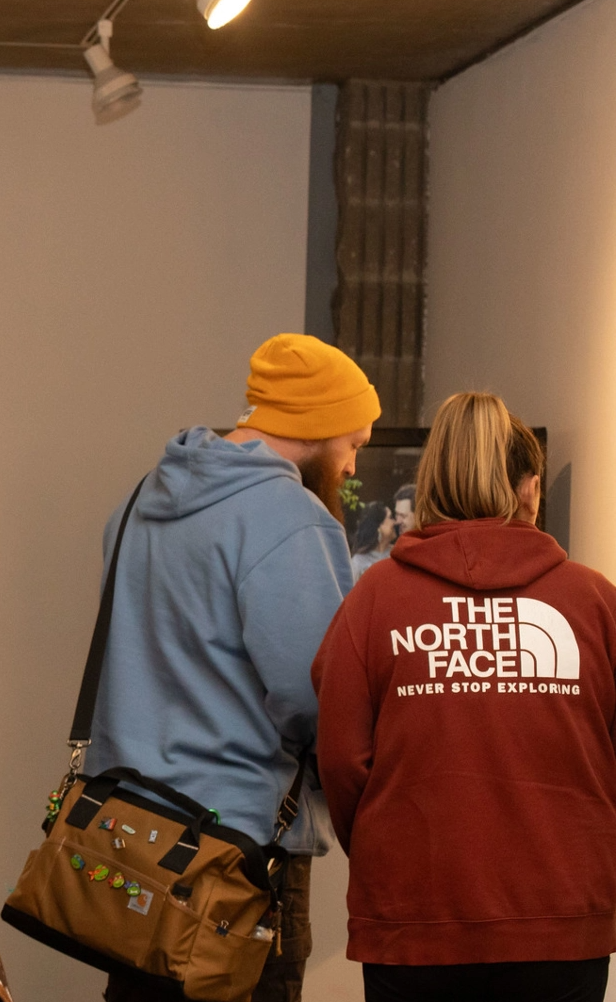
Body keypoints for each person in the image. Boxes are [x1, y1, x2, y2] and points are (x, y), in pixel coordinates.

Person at [89, 332, 379, 1002]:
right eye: (354, 444)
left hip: (128, 839)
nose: (352, 467)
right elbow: (317, 698)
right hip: (238, 856)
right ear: (315, 426)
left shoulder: (137, 503)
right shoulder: (292, 519)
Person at [313, 392, 616, 1002]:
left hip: (415, 916)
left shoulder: (373, 600)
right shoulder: (595, 602)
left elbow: (342, 762)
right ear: (530, 489)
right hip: (561, 919)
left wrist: (386, 849)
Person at [349, 501, 396, 582]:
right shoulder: (358, 563)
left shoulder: (396, 554)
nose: (395, 522)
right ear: (379, 527)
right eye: (390, 517)